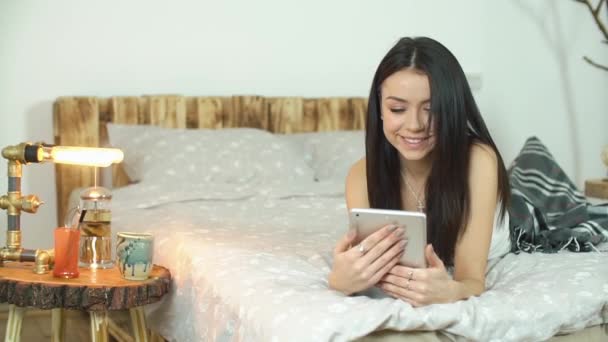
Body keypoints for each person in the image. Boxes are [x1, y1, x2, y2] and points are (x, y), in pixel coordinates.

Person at [328, 37, 512, 307]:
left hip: (517, 221)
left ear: (452, 109)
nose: (415, 125)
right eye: (398, 109)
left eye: (432, 109)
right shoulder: (360, 175)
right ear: (379, 108)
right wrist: (341, 281)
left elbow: (471, 280)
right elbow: (373, 267)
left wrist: (450, 291)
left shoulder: (478, 159)